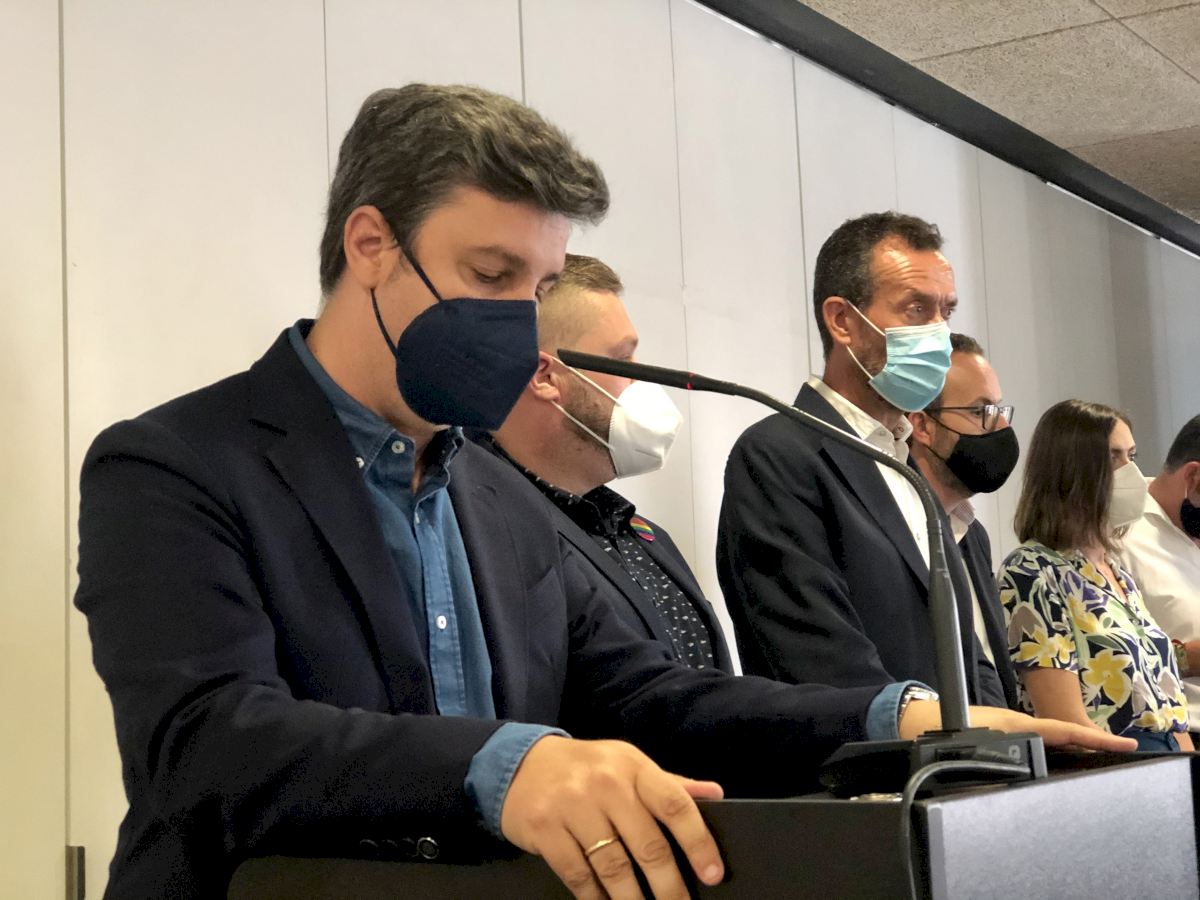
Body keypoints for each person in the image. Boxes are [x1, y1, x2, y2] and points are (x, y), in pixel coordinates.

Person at [75, 86, 1131, 900]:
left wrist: (901, 714)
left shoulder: (496, 495)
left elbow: (650, 697)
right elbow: (206, 739)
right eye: (491, 276)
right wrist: (507, 764)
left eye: (538, 287)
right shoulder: (175, 461)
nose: (518, 318)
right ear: (371, 245)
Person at [718, 212, 1005, 706]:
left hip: (959, 753)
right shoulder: (778, 456)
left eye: (946, 311)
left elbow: (965, 650)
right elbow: (819, 658)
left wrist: (1002, 733)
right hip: (869, 751)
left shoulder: (905, 461)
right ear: (842, 321)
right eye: (916, 309)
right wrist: (936, 731)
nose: (939, 334)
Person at [480, 253, 733, 671]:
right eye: (622, 359)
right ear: (546, 376)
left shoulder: (639, 532)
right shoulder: (490, 530)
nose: (642, 377)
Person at [999, 400, 1192, 751]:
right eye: (1113, 457)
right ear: (1070, 471)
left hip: (1167, 760)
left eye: (1131, 456)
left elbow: (1170, 712)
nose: (1131, 473)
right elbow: (1068, 726)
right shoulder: (1032, 571)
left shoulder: (1118, 574)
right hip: (1113, 763)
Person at [907, 333, 1021, 708]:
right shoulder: (897, 531)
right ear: (922, 426)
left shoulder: (973, 535)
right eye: (979, 412)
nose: (1000, 426)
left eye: (999, 410)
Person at [1121, 414, 1200, 725]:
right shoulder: (1119, 536)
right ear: (1193, 477)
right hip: (1181, 734)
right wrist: (1187, 658)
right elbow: (1111, 664)